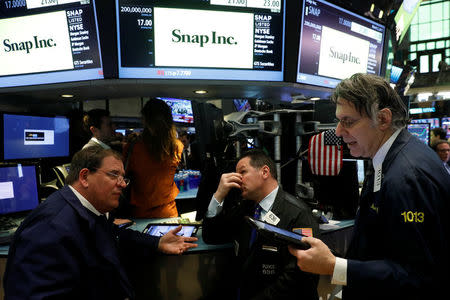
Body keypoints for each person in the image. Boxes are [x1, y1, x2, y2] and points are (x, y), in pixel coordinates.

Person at [288, 73, 450, 299]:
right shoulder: (393, 155)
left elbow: (416, 276)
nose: (338, 131)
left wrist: (334, 267)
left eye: (348, 121)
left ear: (383, 119)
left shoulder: (406, 178)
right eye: (338, 120)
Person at [3, 146, 197, 299]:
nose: (122, 184)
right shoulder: (51, 226)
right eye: (114, 175)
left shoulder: (94, 210)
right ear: (85, 177)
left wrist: (157, 242)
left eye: (123, 177)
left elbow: (114, 235)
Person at [202, 149, 319, 300]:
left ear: (264, 172)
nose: (238, 179)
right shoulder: (245, 208)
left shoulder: (298, 213)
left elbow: (299, 275)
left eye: (243, 172)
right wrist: (219, 194)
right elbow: (211, 236)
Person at [123, 98, 183, 218]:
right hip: (169, 211)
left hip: (139, 212)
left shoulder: (133, 147)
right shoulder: (177, 147)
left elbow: (125, 172)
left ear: (145, 120)